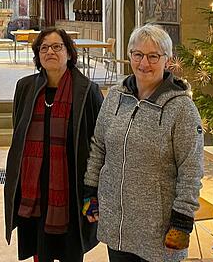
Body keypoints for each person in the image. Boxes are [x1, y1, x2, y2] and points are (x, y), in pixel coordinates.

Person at [83, 24, 204, 262]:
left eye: (153, 56)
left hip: (158, 226)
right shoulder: (116, 96)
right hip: (117, 220)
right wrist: (90, 190)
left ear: (167, 61)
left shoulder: (182, 109)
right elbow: (99, 146)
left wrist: (182, 220)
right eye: (137, 55)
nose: (144, 63)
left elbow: (191, 169)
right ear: (129, 56)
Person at [4, 28, 103, 262]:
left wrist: (94, 188)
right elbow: (19, 133)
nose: (50, 52)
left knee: (70, 248)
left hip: (71, 184)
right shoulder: (25, 87)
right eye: (44, 48)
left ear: (69, 53)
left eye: (57, 46)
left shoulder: (87, 90)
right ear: (37, 55)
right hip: (35, 184)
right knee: (41, 246)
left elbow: (100, 142)